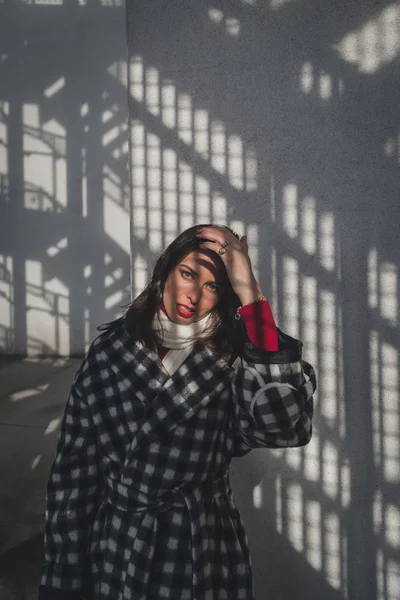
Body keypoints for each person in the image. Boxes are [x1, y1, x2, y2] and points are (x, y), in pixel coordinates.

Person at [38, 224, 316, 600]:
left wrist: (251, 293)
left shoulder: (235, 359)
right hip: (121, 548)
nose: (194, 295)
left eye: (213, 286)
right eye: (187, 274)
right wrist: (64, 579)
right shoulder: (108, 352)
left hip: (200, 548)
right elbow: (74, 479)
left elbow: (282, 428)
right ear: (165, 269)